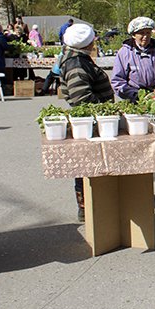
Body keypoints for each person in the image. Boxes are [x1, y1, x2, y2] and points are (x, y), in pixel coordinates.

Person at [111, 17, 155, 201]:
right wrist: (136, 94)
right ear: (133, 34)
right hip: (136, 103)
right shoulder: (124, 54)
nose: (145, 37)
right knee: (139, 147)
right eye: (141, 33)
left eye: (148, 33)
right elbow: (117, 82)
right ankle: (139, 192)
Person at [58, 23, 114, 221]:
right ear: (87, 42)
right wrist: (104, 110)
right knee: (86, 164)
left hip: (92, 121)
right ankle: (86, 208)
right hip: (89, 122)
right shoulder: (76, 64)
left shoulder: (77, 59)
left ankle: (92, 206)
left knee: (89, 164)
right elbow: (82, 98)